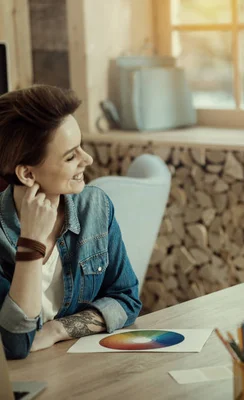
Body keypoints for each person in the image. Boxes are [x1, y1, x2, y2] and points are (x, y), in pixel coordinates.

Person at [0, 85, 142, 359]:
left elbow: (127, 299)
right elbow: (15, 344)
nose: (86, 160)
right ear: (28, 174)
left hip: (77, 368)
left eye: (81, 148)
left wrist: (57, 330)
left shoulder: (95, 207)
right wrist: (30, 241)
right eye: (70, 156)